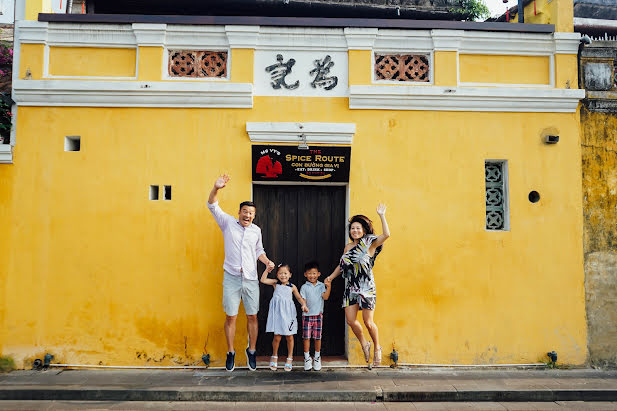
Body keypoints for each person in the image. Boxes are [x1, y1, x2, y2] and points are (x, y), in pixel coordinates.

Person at [208, 174, 275, 372]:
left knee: (253, 316)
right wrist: (216, 188)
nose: (247, 215)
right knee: (231, 317)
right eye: (244, 211)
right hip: (231, 277)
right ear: (239, 212)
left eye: (251, 213)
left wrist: (267, 261)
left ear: (254, 215)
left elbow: (258, 251)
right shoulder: (228, 223)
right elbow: (212, 205)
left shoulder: (256, 230)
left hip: (251, 279)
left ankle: (251, 351)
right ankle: (230, 352)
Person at [325, 203, 390, 367]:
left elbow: (386, 234)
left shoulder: (369, 243)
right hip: (351, 287)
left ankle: (377, 348)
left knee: (368, 322)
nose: (355, 231)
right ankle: (364, 343)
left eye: (358, 228)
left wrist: (382, 215)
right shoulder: (348, 247)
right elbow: (342, 265)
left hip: (366, 287)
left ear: (363, 230)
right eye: (352, 229)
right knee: (351, 320)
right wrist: (331, 278)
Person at [261, 263, 308, 371]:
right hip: (277, 314)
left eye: (285, 273)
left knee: (289, 336)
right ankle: (274, 356)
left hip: (288, 314)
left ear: (290, 275)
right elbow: (263, 280)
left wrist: (304, 305)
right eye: (280, 273)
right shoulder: (275, 283)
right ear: (277, 275)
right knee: (277, 336)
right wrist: (267, 270)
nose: (283, 275)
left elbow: (299, 298)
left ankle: (290, 357)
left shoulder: (292, 287)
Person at [300, 261, 331, 371]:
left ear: (318, 274)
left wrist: (329, 287)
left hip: (318, 316)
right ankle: (307, 358)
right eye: (309, 273)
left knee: (317, 337)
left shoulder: (321, 286)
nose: (312, 276)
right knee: (306, 337)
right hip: (307, 316)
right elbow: (302, 299)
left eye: (314, 273)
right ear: (305, 274)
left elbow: (325, 297)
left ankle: (317, 357)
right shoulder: (304, 287)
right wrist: (304, 306)